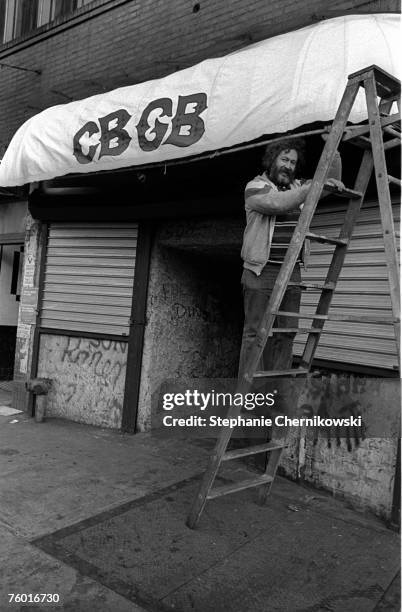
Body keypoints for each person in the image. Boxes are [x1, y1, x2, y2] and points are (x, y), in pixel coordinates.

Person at [238, 137, 343, 377]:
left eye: (293, 162)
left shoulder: (298, 186)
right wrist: (312, 187)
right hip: (259, 272)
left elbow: (333, 180)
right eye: (284, 159)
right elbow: (278, 204)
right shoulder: (255, 186)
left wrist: (334, 149)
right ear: (272, 160)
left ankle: (277, 393)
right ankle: (250, 396)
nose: (288, 166)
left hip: (291, 272)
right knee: (255, 333)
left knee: (286, 334)